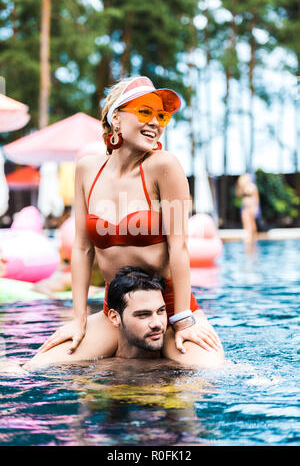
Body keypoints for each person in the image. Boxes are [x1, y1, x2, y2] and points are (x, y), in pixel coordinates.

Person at [37, 75, 224, 367]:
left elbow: (179, 248)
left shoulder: (164, 166)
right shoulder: (87, 169)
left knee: (208, 374)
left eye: (161, 116)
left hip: (169, 308)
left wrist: (185, 319)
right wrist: (79, 319)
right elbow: (82, 250)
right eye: (144, 112)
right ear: (116, 119)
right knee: (36, 368)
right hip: (116, 311)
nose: (156, 123)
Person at [25, 267, 223, 369]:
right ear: (114, 318)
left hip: (181, 311)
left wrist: (184, 319)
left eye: (161, 312)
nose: (156, 323)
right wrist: (79, 319)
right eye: (143, 315)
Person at [236, 173, 260, 245]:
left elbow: (256, 198)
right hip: (245, 207)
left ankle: (253, 236)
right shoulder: (242, 188)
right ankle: (248, 236)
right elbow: (238, 195)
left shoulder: (252, 187)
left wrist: (256, 208)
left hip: (251, 206)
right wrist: (239, 187)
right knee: (246, 222)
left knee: (252, 223)